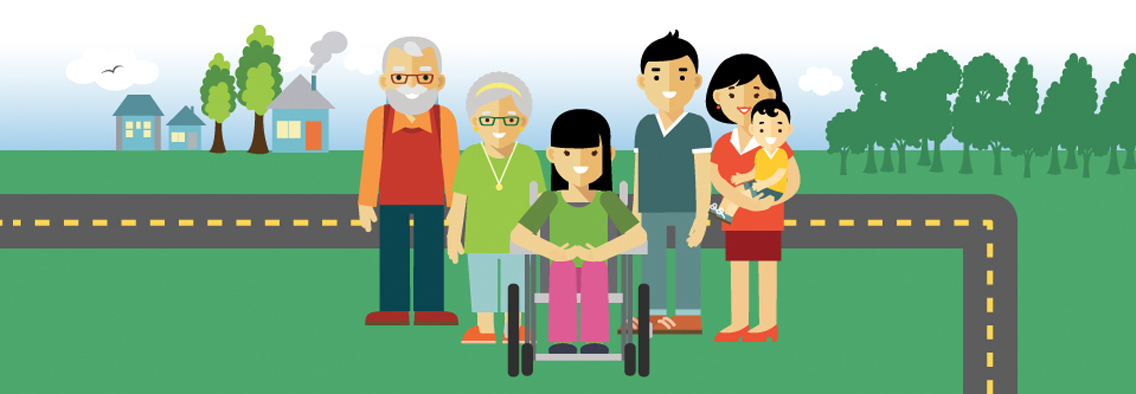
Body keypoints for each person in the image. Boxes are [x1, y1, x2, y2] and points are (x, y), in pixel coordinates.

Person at [510, 109, 647, 355]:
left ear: (609, 155)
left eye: (593, 153)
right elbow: (518, 235)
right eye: (568, 154)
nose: (581, 163)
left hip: (600, 268)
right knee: (562, 270)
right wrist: (553, 252)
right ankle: (561, 340)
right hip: (556, 268)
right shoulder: (549, 200)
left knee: (594, 270)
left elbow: (638, 235)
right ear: (552, 155)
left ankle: (595, 340)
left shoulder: (608, 200)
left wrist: (601, 253)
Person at [358, 37, 460, 326]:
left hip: (433, 200)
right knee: (393, 254)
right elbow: (371, 162)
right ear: (384, 81)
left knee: (430, 253)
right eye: (400, 76)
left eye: (424, 76)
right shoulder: (379, 118)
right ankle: (392, 309)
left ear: (439, 81)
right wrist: (366, 202)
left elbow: (452, 162)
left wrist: (455, 205)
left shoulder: (444, 119)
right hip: (391, 199)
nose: (411, 85)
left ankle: (430, 309)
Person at [704, 54, 801, 342]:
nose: (744, 100)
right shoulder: (724, 143)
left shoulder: (776, 143)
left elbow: (793, 180)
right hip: (735, 220)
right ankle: (738, 321)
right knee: (738, 269)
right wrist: (736, 196)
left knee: (766, 269)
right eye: (733, 92)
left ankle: (767, 323)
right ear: (718, 98)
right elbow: (716, 176)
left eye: (755, 92)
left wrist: (773, 199)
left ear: (771, 97)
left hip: (766, 217)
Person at [446, 72, 546, 343]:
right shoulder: (470, 156)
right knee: (484, 285)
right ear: (475, 123)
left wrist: (539, 236)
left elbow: (539, 201)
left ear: (522, 123)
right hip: (480, 240)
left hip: (519, 240)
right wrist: (454, 235)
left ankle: (517, 325)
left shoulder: (526, 156)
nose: (499, 127)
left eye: (510, 119)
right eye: (488, 119)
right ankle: (485, 328)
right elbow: (460, 201)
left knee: (518, 285)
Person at [630, 30, 713, 334]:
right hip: (651, 208)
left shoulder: (696, 126)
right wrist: (636, 212)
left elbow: (703, 174)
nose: (667, 85)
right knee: (651, 262)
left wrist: (702, 217)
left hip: (686, 208)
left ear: (695, 82)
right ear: (643, 82)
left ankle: (688, 316)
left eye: (680, 76)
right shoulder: (644, 126)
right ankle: (652, 314)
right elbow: (639, 171)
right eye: (656, 75)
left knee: (686, 261)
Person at [709, 100, 795, 224]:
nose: (770, 133)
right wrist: (743, 177)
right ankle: (723, 211)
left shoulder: (781, 153)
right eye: (762, 130)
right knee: (737, 190)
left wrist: (763, 184)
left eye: (778, 129)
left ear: (788, 129)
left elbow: (780, 174)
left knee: (744, 195)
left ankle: (728, 213)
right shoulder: (760, 153)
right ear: (753, 129)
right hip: (758, 183)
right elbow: (756, 170)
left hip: (772, 189)